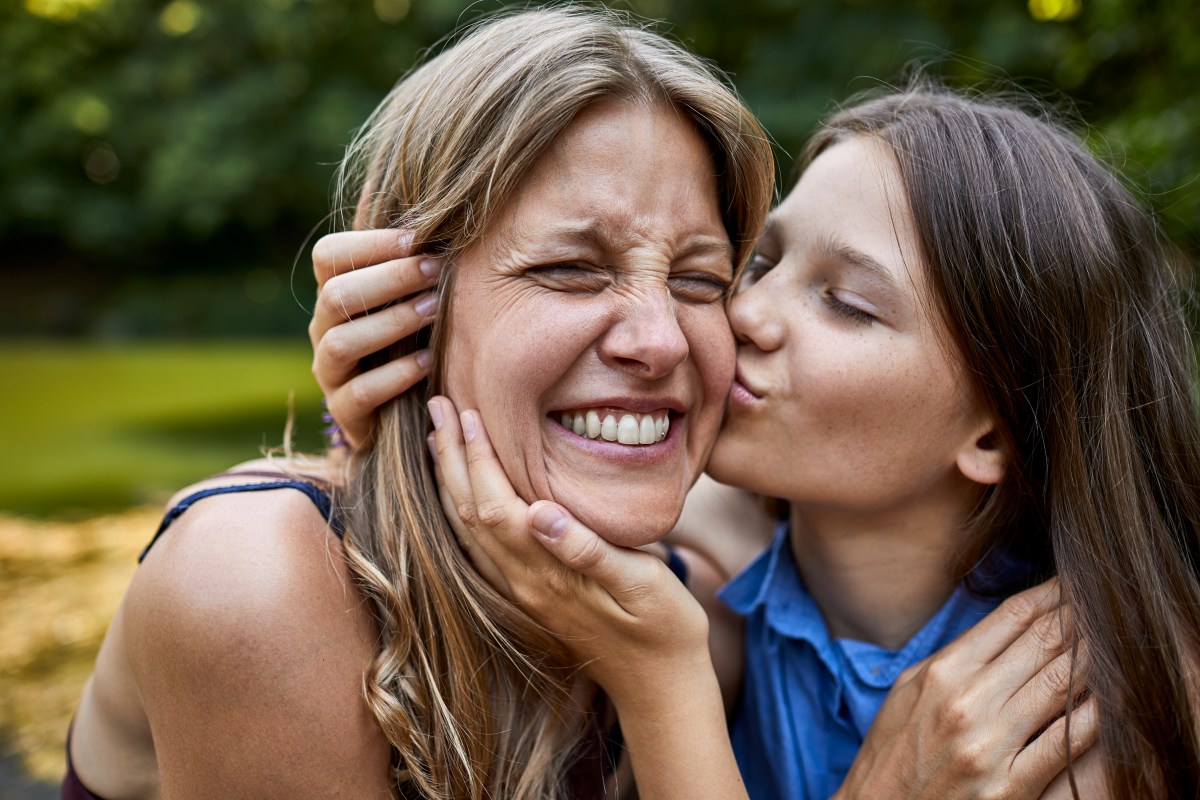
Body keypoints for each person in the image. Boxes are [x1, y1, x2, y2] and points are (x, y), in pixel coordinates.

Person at [312, 83, 1200, 797]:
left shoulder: (1078, 718)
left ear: (992, 433)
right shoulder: (726, 581)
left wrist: (663, 679)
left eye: (847, 303)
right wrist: (401, 395)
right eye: (762, 264)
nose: (742, 314)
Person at [63, 8, 774, 799]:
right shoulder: (258, 580)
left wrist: (664, 676)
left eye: (699, 281)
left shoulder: (700, 614)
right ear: (402, 301)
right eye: (572, 266)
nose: (663, 340)